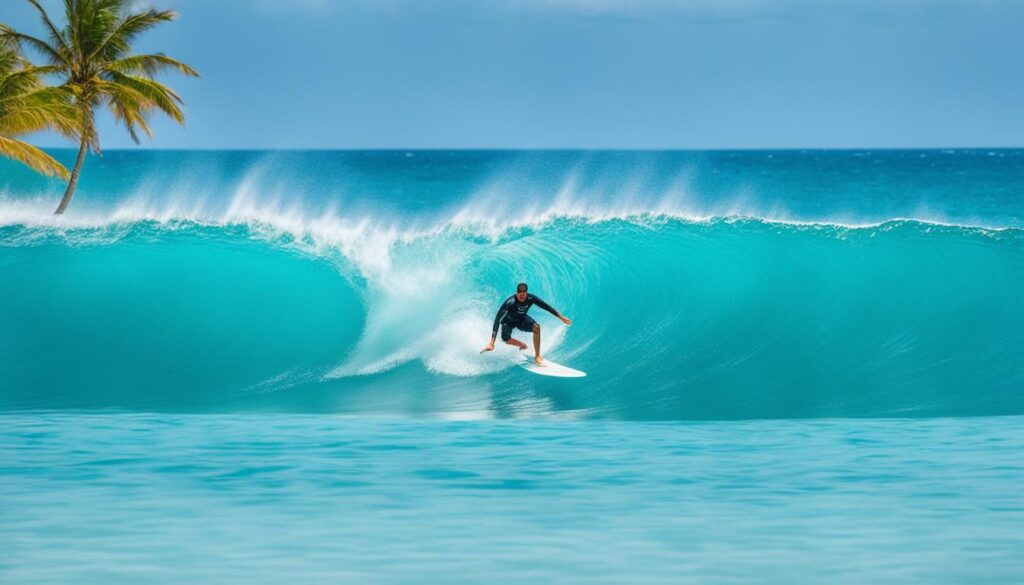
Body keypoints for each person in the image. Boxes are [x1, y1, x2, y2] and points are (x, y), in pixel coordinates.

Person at [481, 282, 571, 365]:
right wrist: (492, 343)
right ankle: (521, 345)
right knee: (506, 339)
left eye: (524, 292)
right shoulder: (510, 302)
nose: (522, 294)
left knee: (536, 327)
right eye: (520, 292)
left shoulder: (531, 298)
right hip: (509, 322)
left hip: (521, 320)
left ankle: (537, 356)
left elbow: (545, 306)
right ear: (516, 292)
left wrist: (560, 317)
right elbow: (497, 319)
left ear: (526, 292)